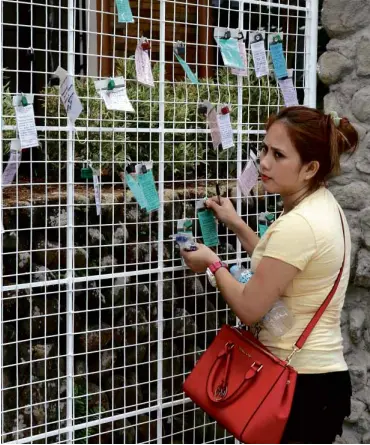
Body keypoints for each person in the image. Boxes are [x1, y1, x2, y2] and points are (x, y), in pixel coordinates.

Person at [181, 106, 359, 444]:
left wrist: (212, 264)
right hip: (316, 380)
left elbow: (250, 308)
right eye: (264, 149)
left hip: (299, 387)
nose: (263, 162)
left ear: (310, 168)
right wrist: (235, 223)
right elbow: (278, 263)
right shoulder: (321, 205)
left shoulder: (301, 224)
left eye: (278, 155)